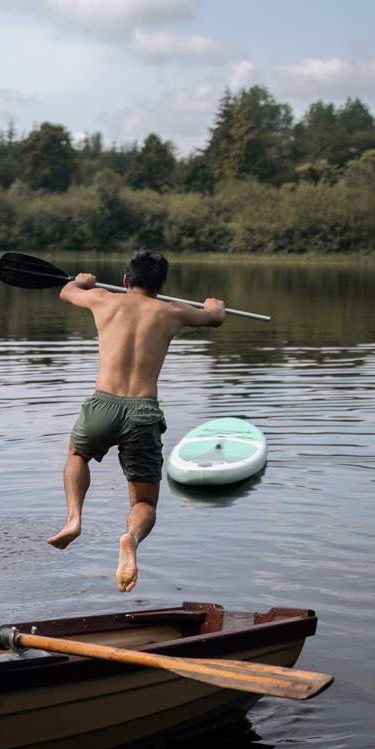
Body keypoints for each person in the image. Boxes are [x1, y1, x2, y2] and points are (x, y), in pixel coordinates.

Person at [47, 247, 226, 593]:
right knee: (144, 502)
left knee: (76, 455)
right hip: (143, 410)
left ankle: (74, 519)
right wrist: (213, 307)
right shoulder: (172, 311)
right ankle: (130, 537)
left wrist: (80, 281)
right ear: (161, 285)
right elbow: (215, 318)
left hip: (103, 403)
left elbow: (68, 292)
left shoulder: (103, 299)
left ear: (126, 280)